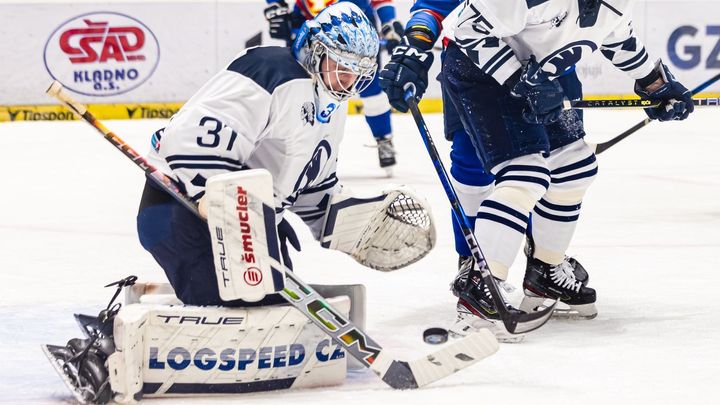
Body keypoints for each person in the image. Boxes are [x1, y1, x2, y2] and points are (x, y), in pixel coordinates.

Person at [380, 0, 694, 339]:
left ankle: (544, 270)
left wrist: (657, 84)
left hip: (542, 74)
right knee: (524, 175)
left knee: (576, 167)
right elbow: (469, 30)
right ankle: (480, 284)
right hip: (481, 74)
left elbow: (618, 38)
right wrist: (519, 80)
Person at [136, 2, 381, 307]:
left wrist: (353, 224)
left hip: (246, 227)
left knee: (274, 305)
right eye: (342, 67)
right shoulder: (270, 70)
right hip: (181, 212)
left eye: (358, 72)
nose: (349, 81)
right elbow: (189, 142)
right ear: (315, 50)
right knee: (241, 310)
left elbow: (312, 185)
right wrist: (232, 204)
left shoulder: (332, 106)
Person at [264, 0, 405, 174]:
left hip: (354, 24)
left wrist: (388, 21)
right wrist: (277, 7)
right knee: (300, 83)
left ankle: (383, 139)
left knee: (369, 88)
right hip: (309, 22)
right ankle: (297, 143)